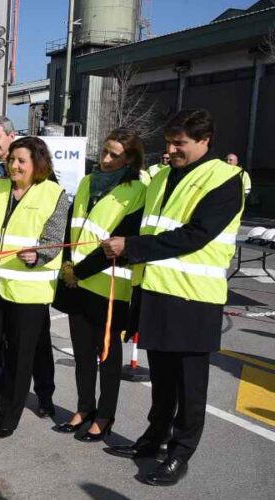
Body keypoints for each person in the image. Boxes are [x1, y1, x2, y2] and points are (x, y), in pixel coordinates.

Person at [102, 109, 244, 487]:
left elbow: (196, 235)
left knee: (189, 385)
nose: (171, 150)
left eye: (179, 143)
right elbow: (144, 223)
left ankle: (180, 453)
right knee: (163, 380)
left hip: (194, 300)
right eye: (168, 142)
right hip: (156, 293)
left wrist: (131, 246)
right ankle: (153, 439)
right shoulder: (163, 175)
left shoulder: (225, 180)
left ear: (205, 140)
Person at [0, 137, 70, 438]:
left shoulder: (54, 194)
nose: (14, 165)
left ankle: (8, 415)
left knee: (20, 357)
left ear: (38, 164)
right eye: (12, 159)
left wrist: (39, 255)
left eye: (21, 161)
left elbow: (55, 238)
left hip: (28, 291)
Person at [54, 128, 146, 442]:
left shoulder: (137, 190)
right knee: (82, 355)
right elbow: (72, 228)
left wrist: (77, 271)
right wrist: (67, 267)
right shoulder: (87, 182)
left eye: (114, 155)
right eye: (105, 151)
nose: (105, 159)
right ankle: (83, 408)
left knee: (107, 357)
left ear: (130, 159)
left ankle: (105, 415)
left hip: (108, 287)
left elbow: (116, 243)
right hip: (76, 283)